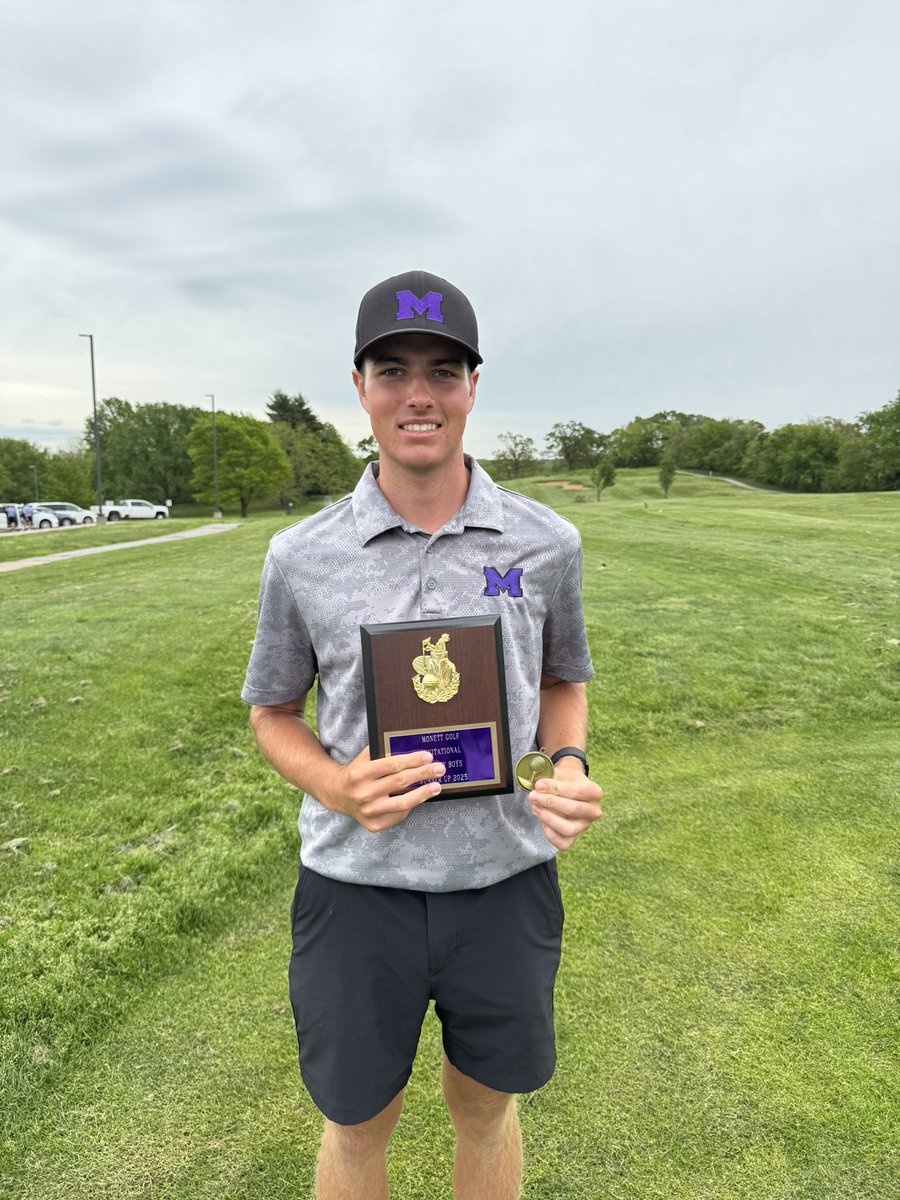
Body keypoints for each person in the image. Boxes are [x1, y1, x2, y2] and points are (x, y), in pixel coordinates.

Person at [242, 270, 603, 1200]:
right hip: (357, 891)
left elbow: (563, 681)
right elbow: (271, 713)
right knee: (357, 1127)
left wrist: (565, 765)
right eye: (393, 369)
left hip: (505, 881)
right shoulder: (303, 555)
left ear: (473, 387)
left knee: (486, 1112)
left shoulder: (544, 542)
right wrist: (332, 786)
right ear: (359, 386)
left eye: (444, 371)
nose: (419, 395)